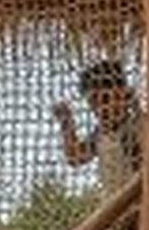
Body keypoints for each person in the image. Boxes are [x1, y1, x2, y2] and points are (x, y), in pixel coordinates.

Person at [56, 58, 141, 189]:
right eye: (93, 103)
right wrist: (67, 123)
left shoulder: (135, 126)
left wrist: (136, 106)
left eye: (106, 99)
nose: (101, 109)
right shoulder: (101, 133)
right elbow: (75, 157)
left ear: (123, 95)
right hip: (114, 202)